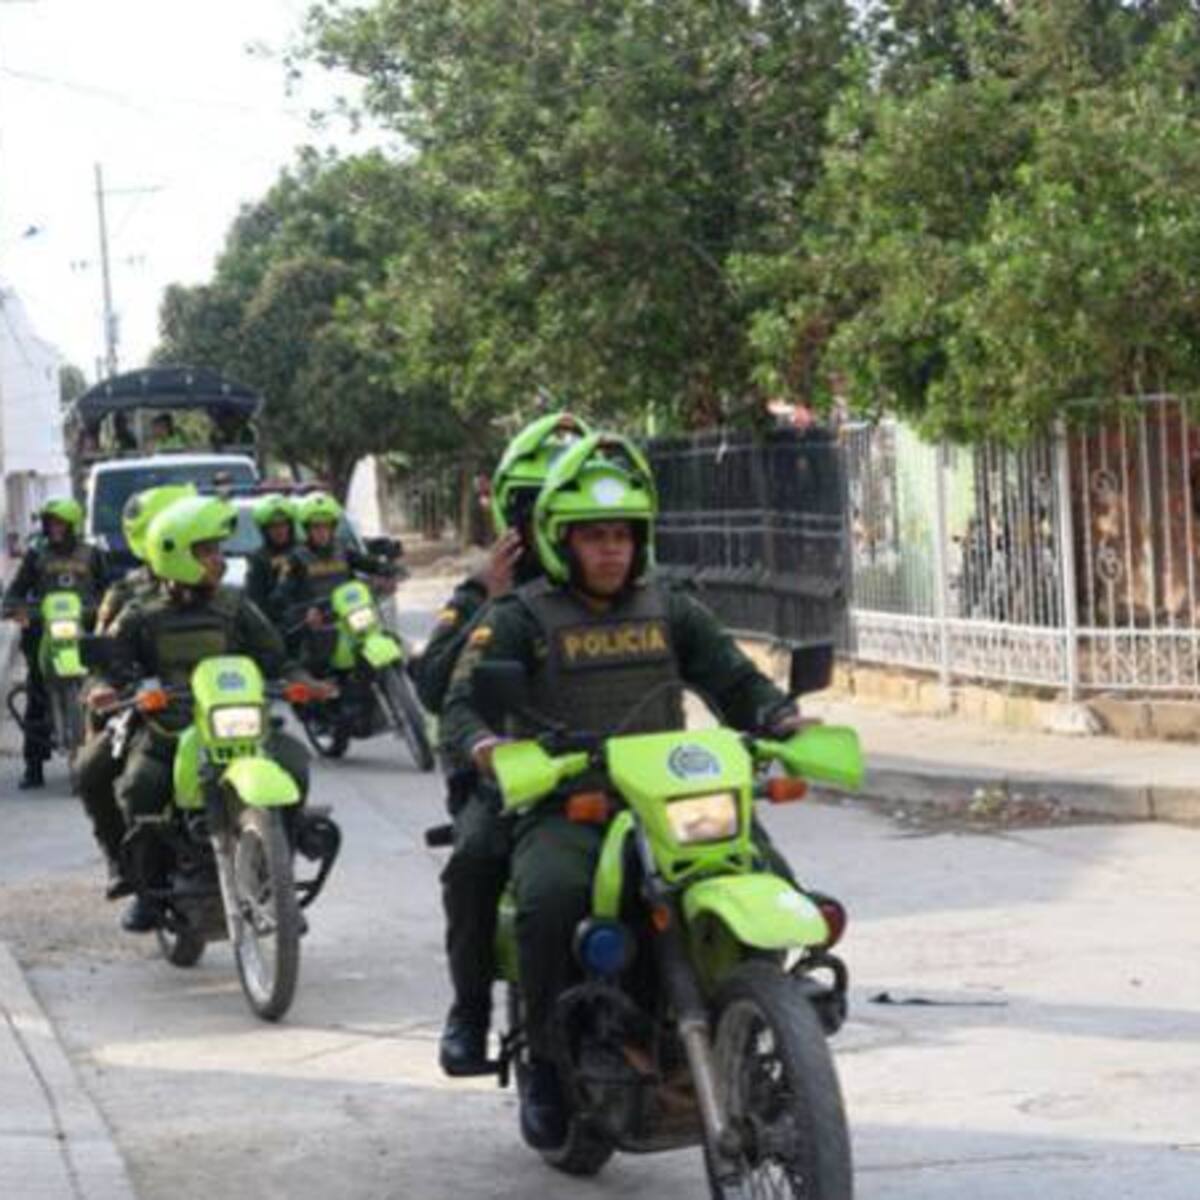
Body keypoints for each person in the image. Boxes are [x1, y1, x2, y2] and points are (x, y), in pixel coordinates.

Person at [441, 432, 811, 1149]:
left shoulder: (668, 604)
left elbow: (733, 677)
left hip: (673, 800)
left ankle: (768, 1029)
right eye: (593, 537)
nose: (610, 550)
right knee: (548, 903)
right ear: (558, 539)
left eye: (622, 535)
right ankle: (546, 1062)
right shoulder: (520, 617)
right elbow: (461, 705)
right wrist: (488, 746)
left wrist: (779, 716)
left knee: (777, 881)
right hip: (571, 802)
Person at [414, 411, 591, 1076]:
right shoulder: (485, 594)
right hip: (509, 780)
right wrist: (492, 596)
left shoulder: (630, 586)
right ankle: (471, 1010)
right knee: (476, 859)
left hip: (621, 774)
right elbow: (435, 688)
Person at [84, 495, 318, 932]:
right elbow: (105, 669)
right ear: (176, 555)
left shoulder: (234, 605)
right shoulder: (139, 615)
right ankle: (148, 891)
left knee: (294, 763)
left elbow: (274, 657)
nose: (217, 560)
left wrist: (300, 679)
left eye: (217, 549)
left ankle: (279, 867)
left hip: (236, 723)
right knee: (140, 787)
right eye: (206, 551)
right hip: (168, 730)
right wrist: (104, 689)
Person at [77, 484, 196, 899]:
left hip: (217, 710)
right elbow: (99, 664)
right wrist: (104, 690)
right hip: (148, 711)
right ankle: (128, 867)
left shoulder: (218, 591)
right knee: (90, 771)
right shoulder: (125, 595)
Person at [2, 498, 109, 789]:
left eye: (60, 523)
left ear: (73, 525)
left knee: (104, 691)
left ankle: (103, 760)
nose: (55, 528)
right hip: (45, 634)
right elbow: (14, 593)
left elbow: (111, 592)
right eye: (51, 523)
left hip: (83, 632)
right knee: (36, 695)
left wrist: (105, 611)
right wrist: (19, 611)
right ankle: (33, 767)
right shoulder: (36, 555)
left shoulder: (93, 555)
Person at [272, 491, 400, 671]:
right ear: (307, 529)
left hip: (351, 617)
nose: (322, 532)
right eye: (316, 527)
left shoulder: (343, 550)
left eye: (326, 527)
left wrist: (390, 572)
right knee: (317, 668)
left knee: (390, 639)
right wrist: (305, 613)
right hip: (321, 624)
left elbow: (369, 563)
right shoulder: (295, 558)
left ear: (333, 527)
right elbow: (281, 595)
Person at [245, 494, 296, 624]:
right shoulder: (259, 559)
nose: (280, 531)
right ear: (264, 530)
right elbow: (255, 600)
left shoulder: (304, 551)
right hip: (277, 625)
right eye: (273, 526)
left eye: (283, 524)